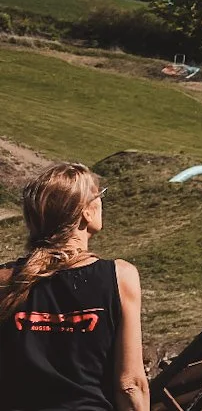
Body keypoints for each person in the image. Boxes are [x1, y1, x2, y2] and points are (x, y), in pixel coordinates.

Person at [0, 163, 148, 411]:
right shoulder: (120, 277)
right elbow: (130, 384)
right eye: (99, 195)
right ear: (86, 212)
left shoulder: (5, 280)